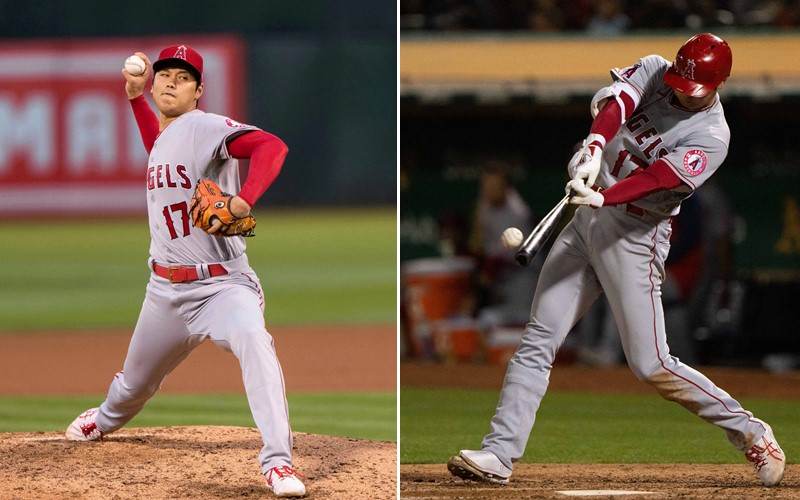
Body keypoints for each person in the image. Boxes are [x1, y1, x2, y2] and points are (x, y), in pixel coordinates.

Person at [447, 33, 785, 487]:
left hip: (636, 236)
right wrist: (591, 149)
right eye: (679, 81)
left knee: (651, 364)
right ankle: (498, 455)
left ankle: (752, 432)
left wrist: (605, 195)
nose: (681, 90)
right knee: (539, 338)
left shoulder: (712, 137)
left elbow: (659, 176)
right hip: (587, 219)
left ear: (717, 84)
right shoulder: (654, 69)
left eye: (692, 86)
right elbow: (617, 105)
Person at [64, 45, 306, 498]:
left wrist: (243, 199)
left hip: (222, 286)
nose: (171, 81)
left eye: (183, 76)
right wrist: (136, 100)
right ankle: (106, 418)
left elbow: (272, 147)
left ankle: (278, 464)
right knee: (132, 385)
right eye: (165, 74)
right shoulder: (167, 136)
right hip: (165, 292)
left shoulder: (206, 125)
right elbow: (159, 150)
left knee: (255, 342)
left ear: (199, 92)